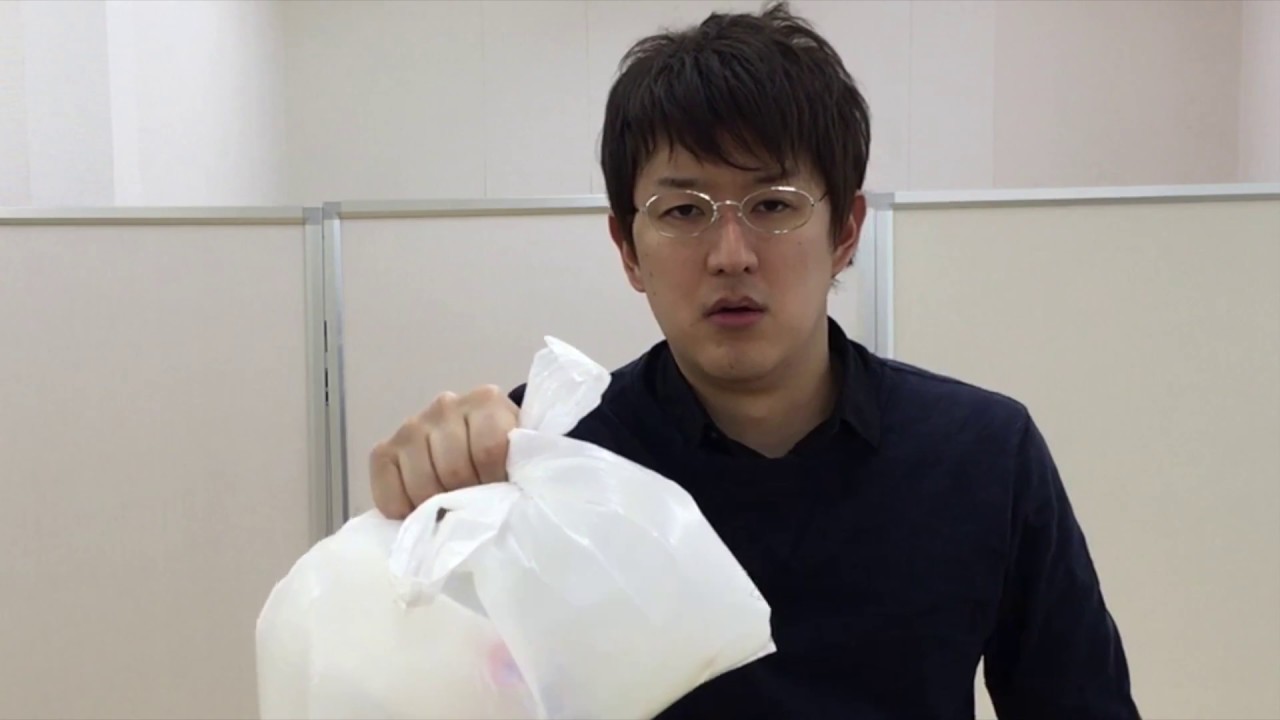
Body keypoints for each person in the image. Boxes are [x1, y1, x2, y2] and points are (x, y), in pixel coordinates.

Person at [369, 2, 1140, 718]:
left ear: (845, 231)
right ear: (627, 248)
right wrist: (424, 498)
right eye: (683, 211)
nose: (730, 255)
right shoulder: (547, 459)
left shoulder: (983, 453)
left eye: (773, 204)